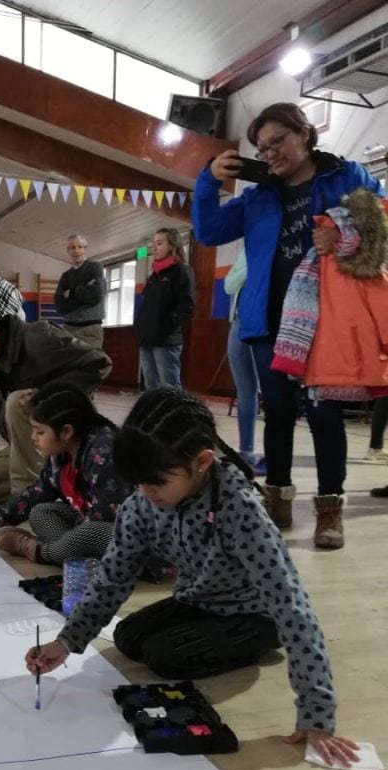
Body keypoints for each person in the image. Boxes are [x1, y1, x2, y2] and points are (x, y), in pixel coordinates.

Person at [25, 388, 359, 769]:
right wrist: (67, 641)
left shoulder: (239, 508)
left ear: (201, 462)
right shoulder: (143, 503)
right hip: (199, 599)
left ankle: (256, 643)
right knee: (128, 637)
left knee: (163, 656)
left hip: (255, 614)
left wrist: (317, 714)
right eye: (139, 483)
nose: (146, 494)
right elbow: (114, 576)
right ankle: (218, 637)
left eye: (157, 483)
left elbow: (292, 605)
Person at [192, 101, 383, 549]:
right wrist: (209, 179)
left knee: (325, 415)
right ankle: (276, 501)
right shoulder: (258, 194)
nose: (270, 152)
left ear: (305, 134)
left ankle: (329, 511)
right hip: (268, 319)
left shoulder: (345, 176)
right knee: (276, 410)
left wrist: (344, 235)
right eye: (262, 146)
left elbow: (381, 219)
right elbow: (209, 231)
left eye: (279, 141)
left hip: (330, 321)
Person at [0, 309, 112, 504]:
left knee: (16, 402)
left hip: (65, 442)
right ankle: (53, 485)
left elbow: (100, 363)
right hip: (32, 446)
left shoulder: (40, 339)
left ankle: (26, 503)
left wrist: (48, 394)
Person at [0, 383, 127, 564]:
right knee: (40, 512)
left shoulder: (103, 452)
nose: (33, 437)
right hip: (87, 523)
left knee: (86, 534)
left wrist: (76, 538)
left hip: (127, 535)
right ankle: (69, 552)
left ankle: (39, 551)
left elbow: (105, 516)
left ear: (66, 431)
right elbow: (38, 492)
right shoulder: (61, 453)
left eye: (40, 431)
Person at [134, 227, 195, 389]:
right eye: (153, 243)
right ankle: (154, 415)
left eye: (159, 243)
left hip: (165, 341)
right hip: (146, 339)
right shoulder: (154, 275)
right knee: (150, 386)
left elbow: (187, 306)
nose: (154, 247)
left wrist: (166, 327)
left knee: (169, 386)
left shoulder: (181, 270)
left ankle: (176, 415)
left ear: (172, 245)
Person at [224, 249, 265, 474]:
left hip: (264, 322)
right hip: (239, 322)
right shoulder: (248, 252)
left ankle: (274, 455)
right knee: (245, 391)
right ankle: (246, 451)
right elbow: (229, 284)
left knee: (272, 392)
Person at [53, 233, 106, 349]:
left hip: (90, 330)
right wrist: (85, 296)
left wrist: (71, 293)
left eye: (80, 247)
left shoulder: (95, 267)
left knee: (90, 365)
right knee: (69, 366)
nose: (76, 251)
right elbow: (59, 305)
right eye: (72, 247)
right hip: (68, 329)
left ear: (85, 249)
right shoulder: (66, 276)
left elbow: (96, 294)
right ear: (68, 250)